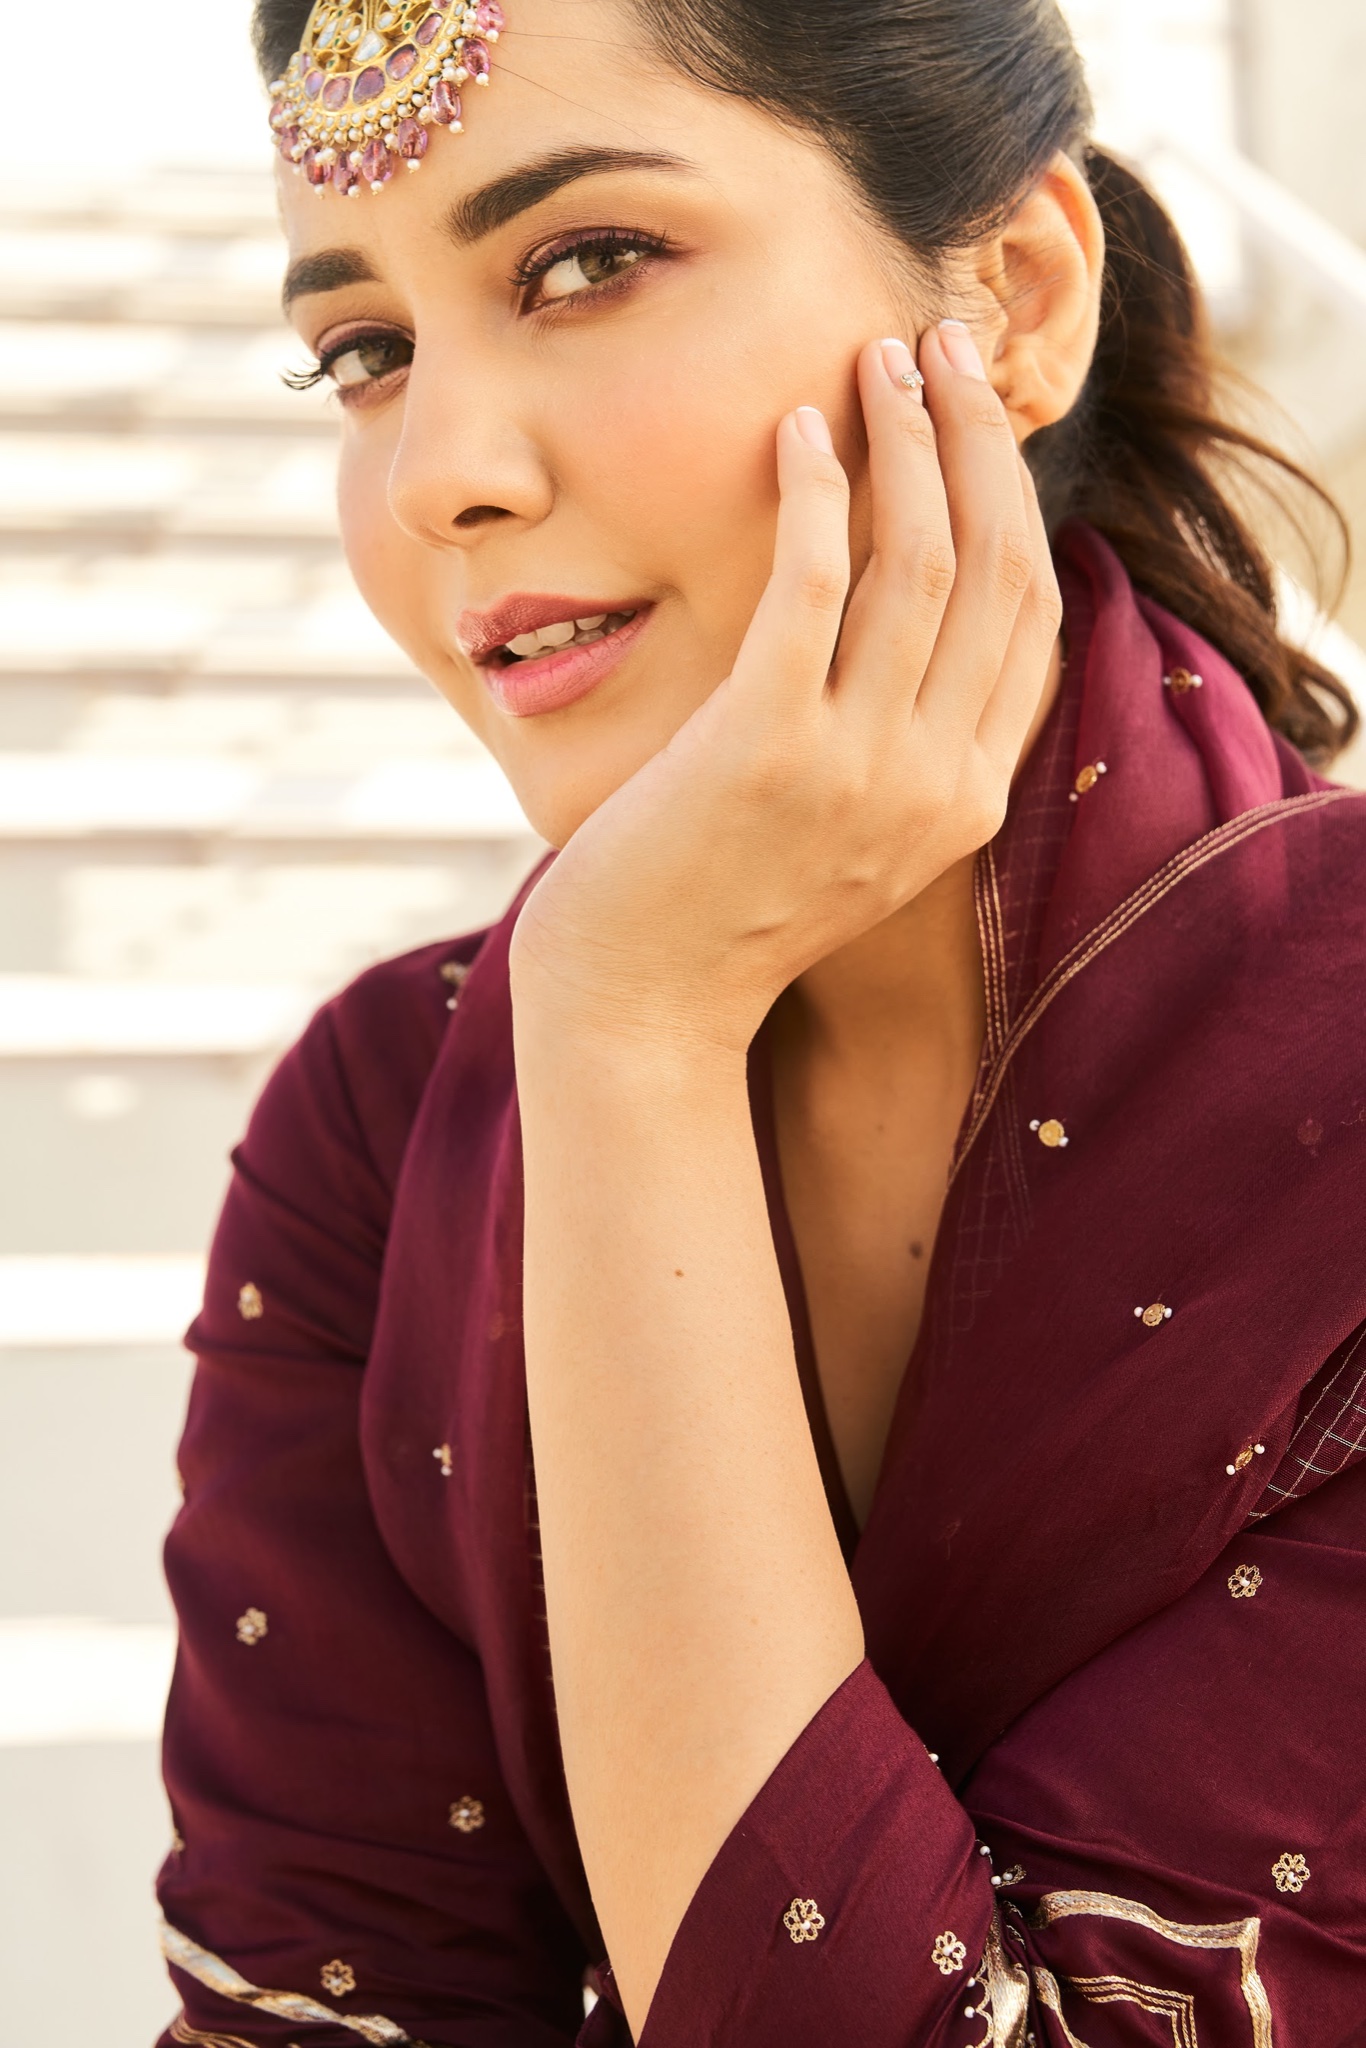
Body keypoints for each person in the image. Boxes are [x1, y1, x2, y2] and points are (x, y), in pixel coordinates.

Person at [156, 1, 1366, 2042]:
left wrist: (625, 1029)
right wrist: (616, 1020)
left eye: (583, 262)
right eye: (365, 350)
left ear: (1010, 294)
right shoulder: (384, 1119)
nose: (442, 475)